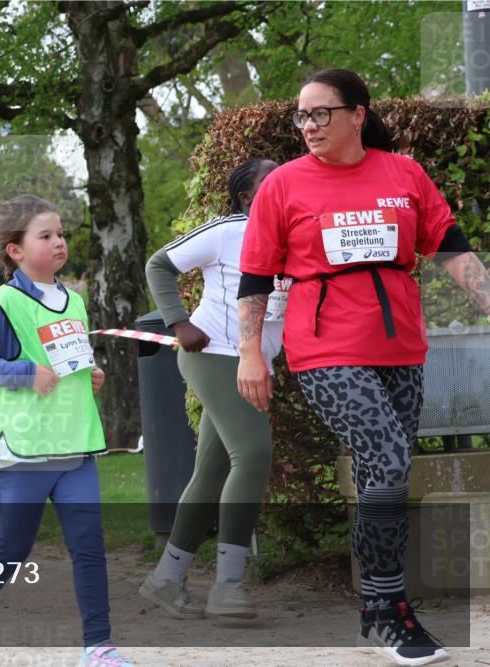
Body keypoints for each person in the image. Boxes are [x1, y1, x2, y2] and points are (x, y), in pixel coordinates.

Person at [237, 68, 490, 667]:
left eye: (321, 113)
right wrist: (252, 351)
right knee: (383, 453)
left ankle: (377, 614)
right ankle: (392, 610)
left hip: (399, 343)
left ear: (357, 114)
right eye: (301, 116)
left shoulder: (403, 174)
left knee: (389, 474)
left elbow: (451, 249)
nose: (308, 126)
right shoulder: (284, 186)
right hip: (324, 346)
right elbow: (254, 279)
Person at [0, 195, 133, 667]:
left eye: (61, 234)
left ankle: (99, 647)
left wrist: (89, 375)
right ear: (15, 250)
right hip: (24, 449)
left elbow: (69, 360)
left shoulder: (74, 299)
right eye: (45, 236)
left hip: (75, 445)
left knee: (89, 547)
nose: (59, 243)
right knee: (13, 548)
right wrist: (26, 373)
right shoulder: (3, 303)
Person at [139, 158, 282, 619]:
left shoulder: (296, 233)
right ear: (246, 198)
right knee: (254, 455)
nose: (283, 184)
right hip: (214, 354)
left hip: (254, 363)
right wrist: (178, 323)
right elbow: (159, 264)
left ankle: (166, 579)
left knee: (212, 472)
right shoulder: (227, 230)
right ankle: (229, 586)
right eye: (270, 181)